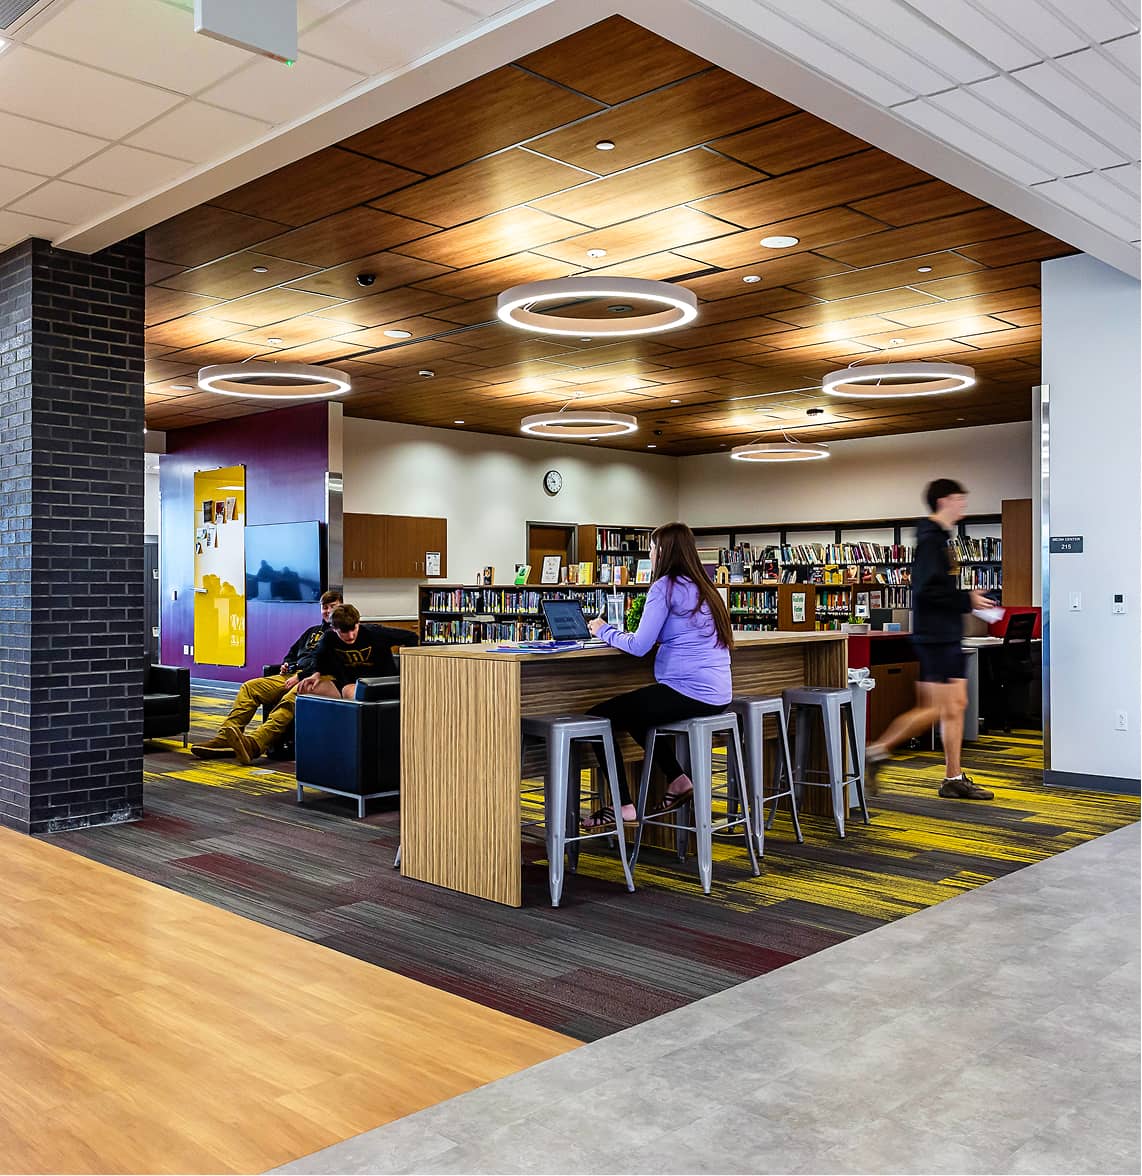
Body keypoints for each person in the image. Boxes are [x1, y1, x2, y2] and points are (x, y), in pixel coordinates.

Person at [581, 521, 735, 828]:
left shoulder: (665, 586)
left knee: (599, 719)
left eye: (651, 548)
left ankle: (624, 805)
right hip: (718, 694)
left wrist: (604, 630)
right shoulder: (705, 588)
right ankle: (678, 779)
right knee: (640, 714)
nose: (649, 554)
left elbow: (639, 646)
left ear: (662, 551)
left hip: (688, 690)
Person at [865, 479, 995, 800]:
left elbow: (938, 588)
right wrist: (969, 600)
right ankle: (876, 750)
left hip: (945, 635)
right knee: (939, 708)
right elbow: (926, 590)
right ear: (943, 501)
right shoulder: (930, 542)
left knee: (955, 706)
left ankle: (953, 777)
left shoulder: (940, 539)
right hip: (936, 638)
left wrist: (965, 600)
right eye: (959, 500)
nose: (963, 506)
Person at [224, 604, 418, 765]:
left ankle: (356, 747)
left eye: (353, 630)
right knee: (303, 690)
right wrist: (314, 674)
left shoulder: (375, 633)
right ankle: (255, 743)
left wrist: (407, 665)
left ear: (358, 624)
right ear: (334, 629)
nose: (350, 636)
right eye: (344, 632)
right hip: (345, 682)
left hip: (376, 684)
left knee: (354, 692)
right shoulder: (329, 638)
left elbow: (412, 638)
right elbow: (318, 657)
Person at [193, 589, 341, 760]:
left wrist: (300, 677)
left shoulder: (341, 633)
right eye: (324, 607)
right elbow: (292, 653)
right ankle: (225, 738)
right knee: (250, 688)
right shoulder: (312, 631)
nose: (328, 611)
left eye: (333, 607)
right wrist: (288, 665)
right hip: (293, 675)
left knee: (291, 697)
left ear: (341, 607)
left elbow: (328, 663)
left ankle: (255, 744)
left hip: (318, 678)